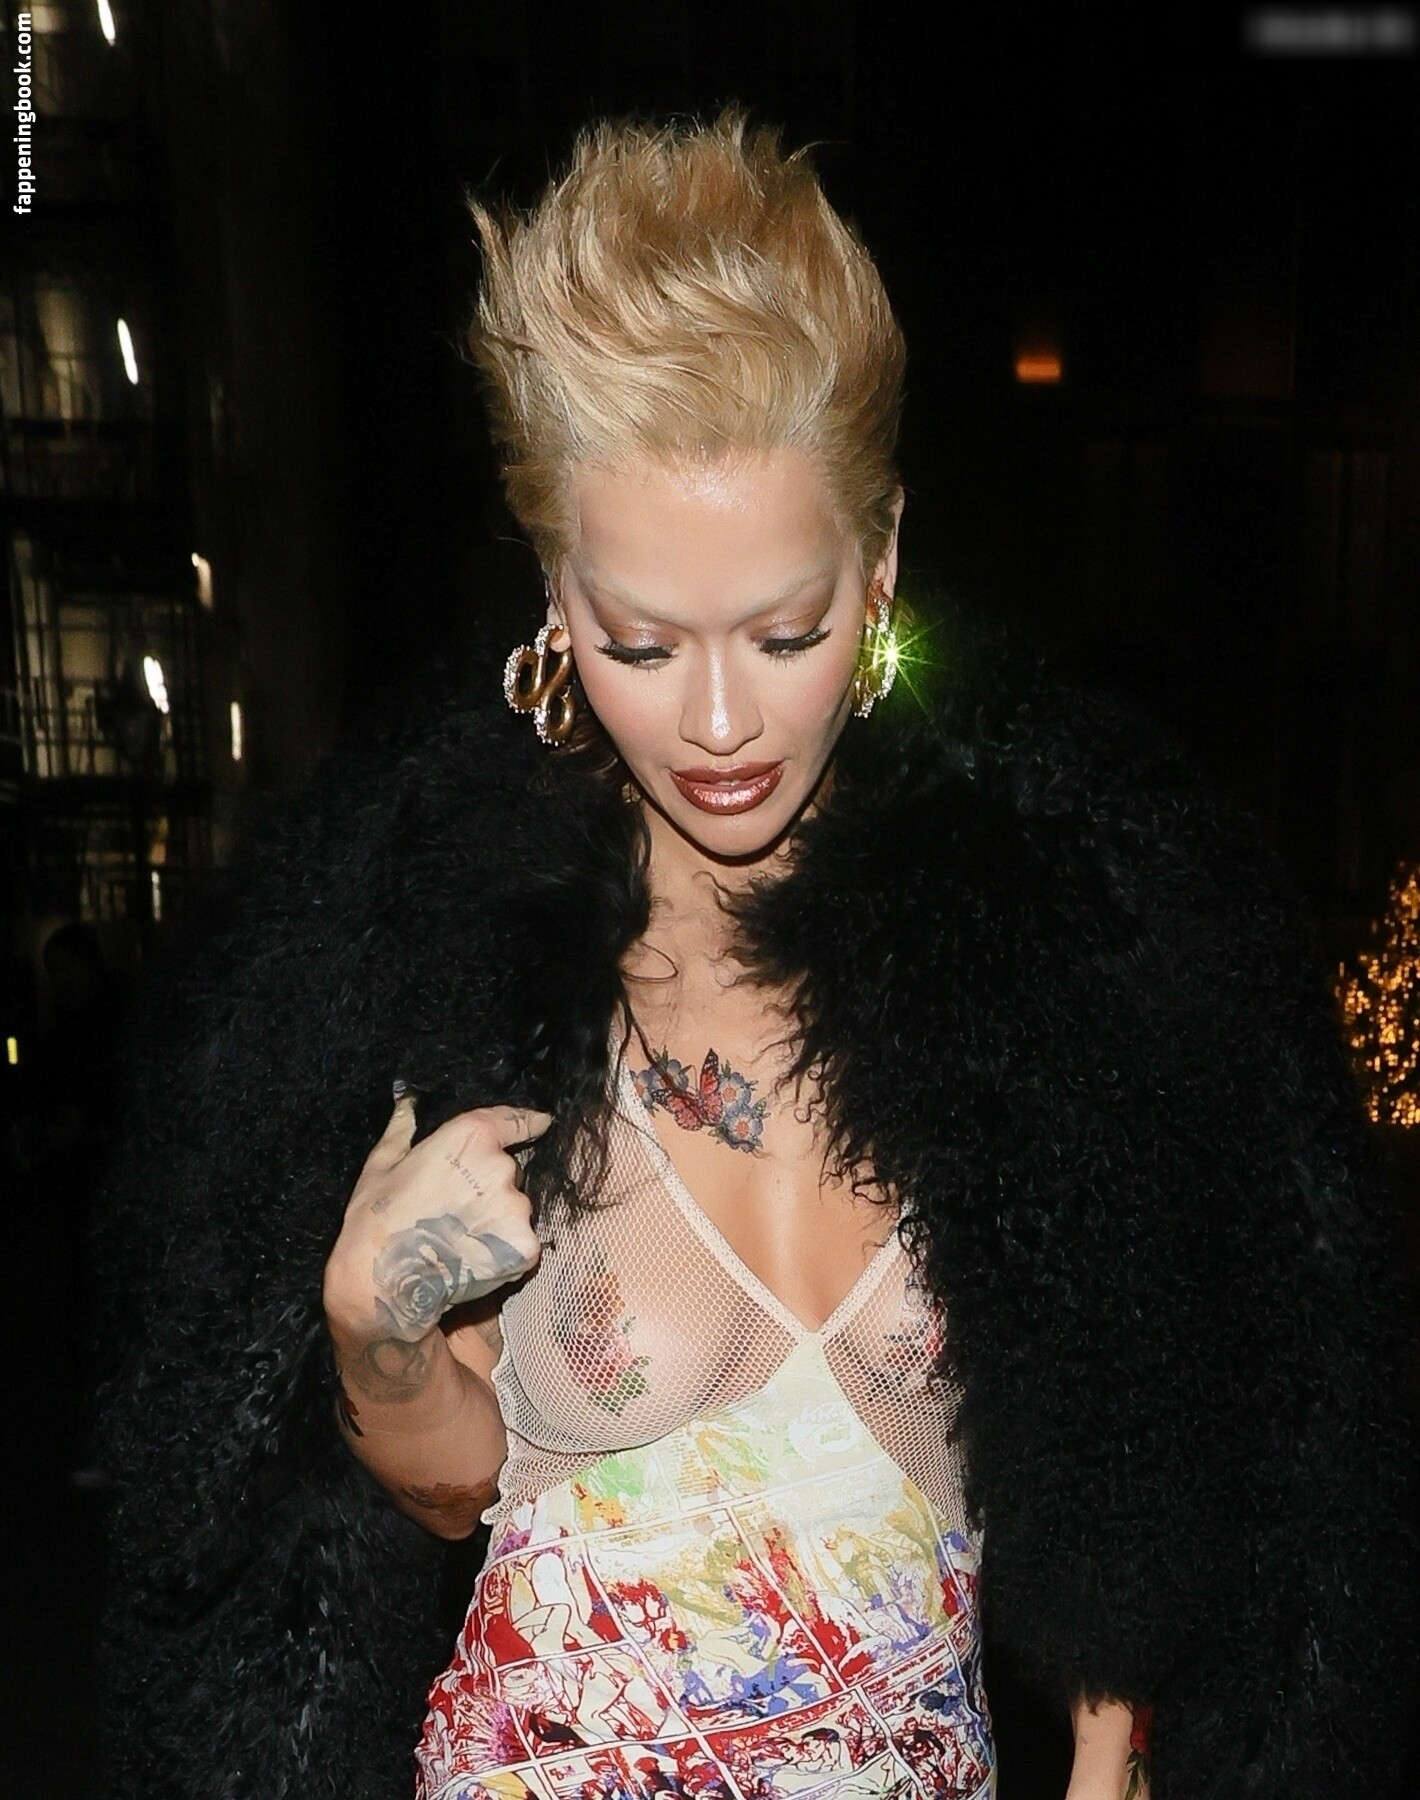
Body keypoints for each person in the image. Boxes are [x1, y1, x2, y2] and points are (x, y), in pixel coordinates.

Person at [94, 113, 1414, 1800]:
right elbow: (446, 1493)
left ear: (882, 560)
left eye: (787, 632)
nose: (721, 721)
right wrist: (374, 1328)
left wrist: (1114, 1758)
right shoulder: (457, 952)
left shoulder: (1042, 957)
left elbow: (1140, 1472)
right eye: (642, 643)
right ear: (555, 590)